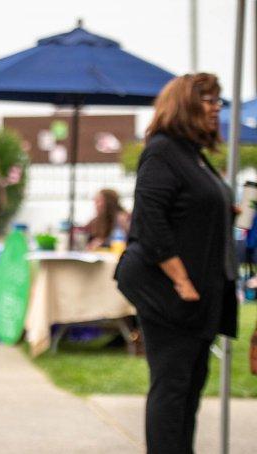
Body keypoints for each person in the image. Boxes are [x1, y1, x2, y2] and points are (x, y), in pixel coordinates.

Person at [115, 73, 238, 454]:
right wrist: (182, 282)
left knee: (189, 389)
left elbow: (187, 211)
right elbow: (151, 222)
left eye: (219, 100)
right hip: (169, 293)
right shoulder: (163, 150)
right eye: (208, 99)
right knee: (171, 389)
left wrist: (224, 211)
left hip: (200, 295)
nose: (217, 107)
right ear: (184, 103)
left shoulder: (193, 154)